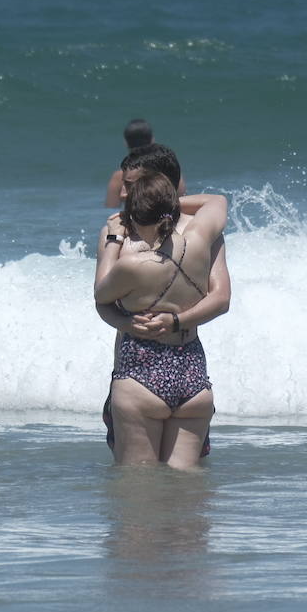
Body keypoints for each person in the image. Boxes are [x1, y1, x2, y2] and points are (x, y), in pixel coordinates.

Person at [95, 171, 228, 469]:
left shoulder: (132, 266)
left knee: (138, 487)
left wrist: (114, 240)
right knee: (186, 486)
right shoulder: (201, 239)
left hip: (141, 375)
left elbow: (101, 293)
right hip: (192, 374)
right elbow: (218, 201)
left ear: (136, 218)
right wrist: (170, 201)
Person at [105, 118, 186, 206]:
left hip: (135, 217)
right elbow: (181, 201)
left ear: (126, 142)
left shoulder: (119, 176)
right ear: (152, 140)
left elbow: (110, 208)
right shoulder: (169, 170)